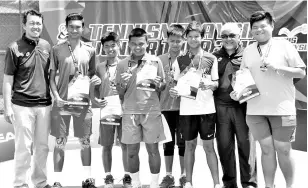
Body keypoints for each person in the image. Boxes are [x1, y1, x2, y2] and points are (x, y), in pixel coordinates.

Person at [230, 11, 306, 188]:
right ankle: (269, 186)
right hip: (255, 111)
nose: (259, 30)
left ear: (272, 26)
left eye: (263, 25)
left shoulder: (284, 45)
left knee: (284, 150)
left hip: (282, 109)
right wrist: (237, 92)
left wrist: (277, 68)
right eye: (254, 27)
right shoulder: (248, 50)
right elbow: (243, 76)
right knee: (266, 150)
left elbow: (301, 71)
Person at [49, 13, 101, 188]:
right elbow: (51, 78)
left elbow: (93, 75)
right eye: (71, 26)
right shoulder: (57, 49)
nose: (74, 30)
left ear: (83, 28)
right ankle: (57, 181)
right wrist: (56, 98)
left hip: (83, 104)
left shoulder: (90, 50)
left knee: (85, 141)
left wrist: (95, 82)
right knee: (60, 142)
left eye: (78, 27)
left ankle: (87, 179)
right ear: (66, 28)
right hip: (62, 103)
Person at [3, 9, 52, 188]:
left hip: (44, 106)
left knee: (42, 148)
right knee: (23, 148)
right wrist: (7, 107)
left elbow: (51, 76)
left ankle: (40, 182)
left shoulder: (47, 46)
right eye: (32, 23)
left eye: (38, 23)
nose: (35, 26)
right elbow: (8, 79)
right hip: (21, 106)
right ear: (24, 25)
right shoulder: (14, 48)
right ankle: (20, 184)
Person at [170, 21, 221, 188]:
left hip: (207, 109)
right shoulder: (180, 60)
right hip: (187, 110)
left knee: (209, 147)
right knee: (189, 146)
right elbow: (176, 85)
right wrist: (174, 92)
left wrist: (210, 85)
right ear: (186, 38)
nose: (193, 39)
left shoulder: (211, 58)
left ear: (202, 38)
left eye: (196, 36)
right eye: (190, 36)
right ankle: (189, 182)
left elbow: (216, 83)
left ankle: (216, 183)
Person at [115, 28, 166, 188]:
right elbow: (119, 90)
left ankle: (154, 184)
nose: (138, 47)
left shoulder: (155, 61)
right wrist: (123, 83)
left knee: (153, 150)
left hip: (151, 111)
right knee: (131, 152)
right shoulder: (122, 64)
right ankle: (135, 183)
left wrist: (160, 84)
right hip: (130, 112)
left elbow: (162, 85)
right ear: (129, 44)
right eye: (134, 44)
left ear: (147, 43)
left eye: (141, 44)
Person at [213, 23, 257, 188]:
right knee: (224, 146)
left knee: (246, 145)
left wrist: (243, 94)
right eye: (224, 36)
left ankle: (249, 183)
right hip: (220, 107)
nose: (228, 39)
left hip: (243, 107)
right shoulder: (214, 56)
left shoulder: (249, 55)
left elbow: (256, 82)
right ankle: (229, 183)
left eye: (232, 35)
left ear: (239, 36)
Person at [94, 31, 130, 187]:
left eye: (113, 45)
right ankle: (108, 176)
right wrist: (96, 100)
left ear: (119, 46)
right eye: (106, 46)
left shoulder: (127, 65)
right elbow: (94, 88)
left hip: (124, 110)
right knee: (107, 145)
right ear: (103, 48)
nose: (110, 49)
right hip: (107, 110)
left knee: (126, 145)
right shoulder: (99, 67)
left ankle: (127, 176)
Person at [158, 24, 186, 188]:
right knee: (167, 143)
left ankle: (183, 175)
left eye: (178, 41)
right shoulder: (160, 60)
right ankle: (168, 175)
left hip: (184, 108)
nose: (175, 44)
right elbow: (156, 86)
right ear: (167, 40)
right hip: (165, 108)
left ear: (183, 41)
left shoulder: (188, 58)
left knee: (183, 143)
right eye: (172, 40)